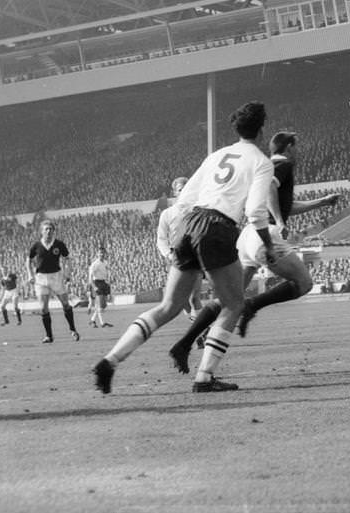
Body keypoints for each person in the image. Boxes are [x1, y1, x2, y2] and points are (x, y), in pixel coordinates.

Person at [94, 101, 283, 395]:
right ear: (261, 130)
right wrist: (268, 244)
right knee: (234, 304)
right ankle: (204, 378)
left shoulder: (217, 155)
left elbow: (184, 200)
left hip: (188, 223)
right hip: (218, 226)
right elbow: (257, 211)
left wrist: (188, 233)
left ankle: (110, 360)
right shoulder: (260, 161)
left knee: (168, 306)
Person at [167, 130, 338, 372]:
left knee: (227, 299)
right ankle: (252, 306)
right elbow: (270, 191)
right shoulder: (282, 164)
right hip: (263, 233)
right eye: (296, 146)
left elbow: (282, 203)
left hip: (247, 235)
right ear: (288, 147)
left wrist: (320, 202)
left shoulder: (267, 167)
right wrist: (279, 222)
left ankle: (185, 343)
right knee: (303, 283)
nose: (298, 151)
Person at [156, 176, 204, 318]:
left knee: (194, 297)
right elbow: (161, 239)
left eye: (186, 188)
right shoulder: (167, 213)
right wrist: (169, 254)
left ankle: (201, 329)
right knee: (179, 300)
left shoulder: (197, 211)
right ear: (175, 193)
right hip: (175, 258)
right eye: (180, 190)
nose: (184, 192)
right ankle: (193, 320)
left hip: (194, 257)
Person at [27, 219, 80, 344]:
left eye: (51, 229)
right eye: (46, 229)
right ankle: (49, 336)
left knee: (65, 304)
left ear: (53, 231)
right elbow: (28, 260)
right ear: (42, 231)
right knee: (44, 308)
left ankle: (73, 329)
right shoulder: (36, 246)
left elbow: (68, 259)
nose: (49, 231)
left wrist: (67, 272)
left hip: (56, 276)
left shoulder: (59, 244)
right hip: (41, 278)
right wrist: (30, 274)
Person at [87, 248, 114, 328]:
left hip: (104, 283)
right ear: (97, 254)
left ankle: (92, 320)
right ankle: (102, 323)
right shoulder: (95, 264)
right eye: (100, 253)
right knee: (101, 305)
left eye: (103, 253)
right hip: (97, 283)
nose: (102, 254)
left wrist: (109, 282)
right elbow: (90, 277)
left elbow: (107, 273)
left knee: (104, 305)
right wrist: (94, 287)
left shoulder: (105, 262)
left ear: (105, 254)